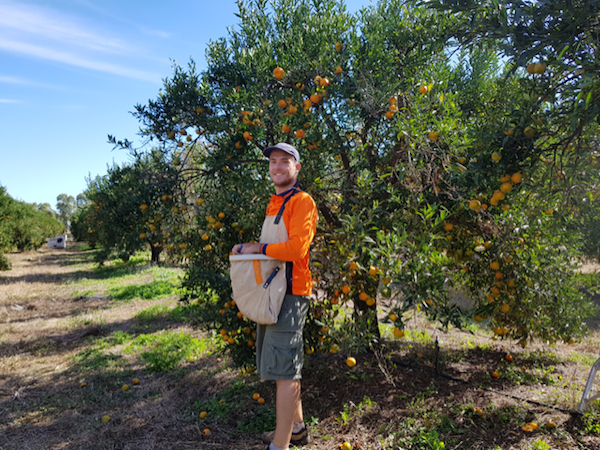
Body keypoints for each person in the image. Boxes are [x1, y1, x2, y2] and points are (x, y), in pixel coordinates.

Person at [232, 143, 318, 450]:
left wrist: (258, 249)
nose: (277, 166)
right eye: (273, 162)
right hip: (273, 292)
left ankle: (279, 446)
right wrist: (248, 251)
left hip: (290, 295)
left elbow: (296, 249)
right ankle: (297, 430)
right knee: (285, 369)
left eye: (284, 161)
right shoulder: (275, 202)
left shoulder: (302, 201)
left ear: (297, 167)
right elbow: (274, 248)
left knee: (285, 371)